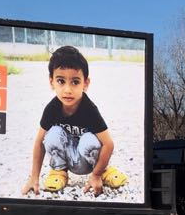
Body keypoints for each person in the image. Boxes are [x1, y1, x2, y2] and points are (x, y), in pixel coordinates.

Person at [21, 45, 127, 196]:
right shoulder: (52, 109)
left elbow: (108, 144)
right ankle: (59, 172)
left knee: (90, 140)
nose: (68, 90)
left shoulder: (89, 109)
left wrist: (95, 175)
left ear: (86, 83)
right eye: (61, 81)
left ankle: (103, 170)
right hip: (68, 158)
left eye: (75, 82)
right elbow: (39, 143)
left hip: (88, 160)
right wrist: (34, 177)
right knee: (52, 134)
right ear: (51, 82)